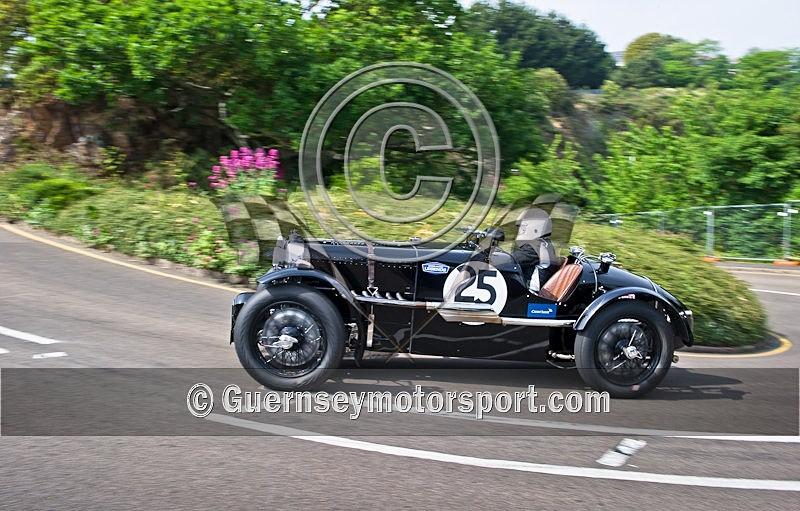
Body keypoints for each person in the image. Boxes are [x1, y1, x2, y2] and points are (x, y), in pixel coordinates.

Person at [512, 207, 558, 293]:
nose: (520, 230)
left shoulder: (535, 248)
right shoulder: (543, 244)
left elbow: (511, 261)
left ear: (535, 228)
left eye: (523, 226)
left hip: (528, 293)